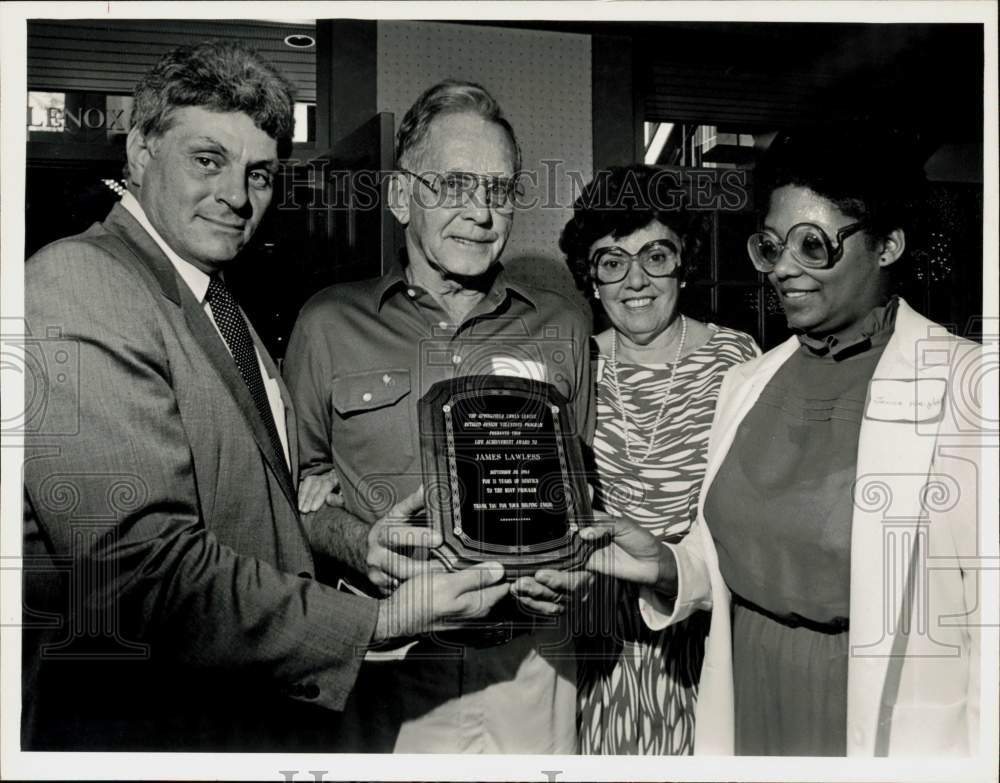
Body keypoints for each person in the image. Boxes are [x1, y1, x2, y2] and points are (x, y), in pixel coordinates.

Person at [21, 43, 508, 752]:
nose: (237, 196)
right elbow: (140, 574)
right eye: (207, 160)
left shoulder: (219, 303)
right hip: (152, 734)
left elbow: (257, 510)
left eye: (259, 173)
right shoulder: (77, 282)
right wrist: (376, 622)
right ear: (139, 151)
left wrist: (354, 539)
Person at [582, 130, 983, 756]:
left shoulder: (969, 390)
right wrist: (662, 564)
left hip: (880, 720)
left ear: (888, 245)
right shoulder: (749, 382)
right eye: (771, 246)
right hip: (743, 695)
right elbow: (729, 561)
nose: (784, 268)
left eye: (813, 245)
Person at [283, 79, 595, 753]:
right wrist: (357, 541)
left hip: (531, 665)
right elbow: (293, 498)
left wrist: (566, 567)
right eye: (454, 184)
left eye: (499, 188)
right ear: (401, 196)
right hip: (384, 661)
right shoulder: (328, 323)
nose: (481, 211)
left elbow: (581, 496)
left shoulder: (563, 324)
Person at [559, 165, 759, 754]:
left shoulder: (736, 359)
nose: (635, 279)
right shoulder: (574, 366)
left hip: (705, 637)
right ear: (591, 278)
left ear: (684, 262)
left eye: (656, 255)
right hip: (594, 648)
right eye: (611, 261)